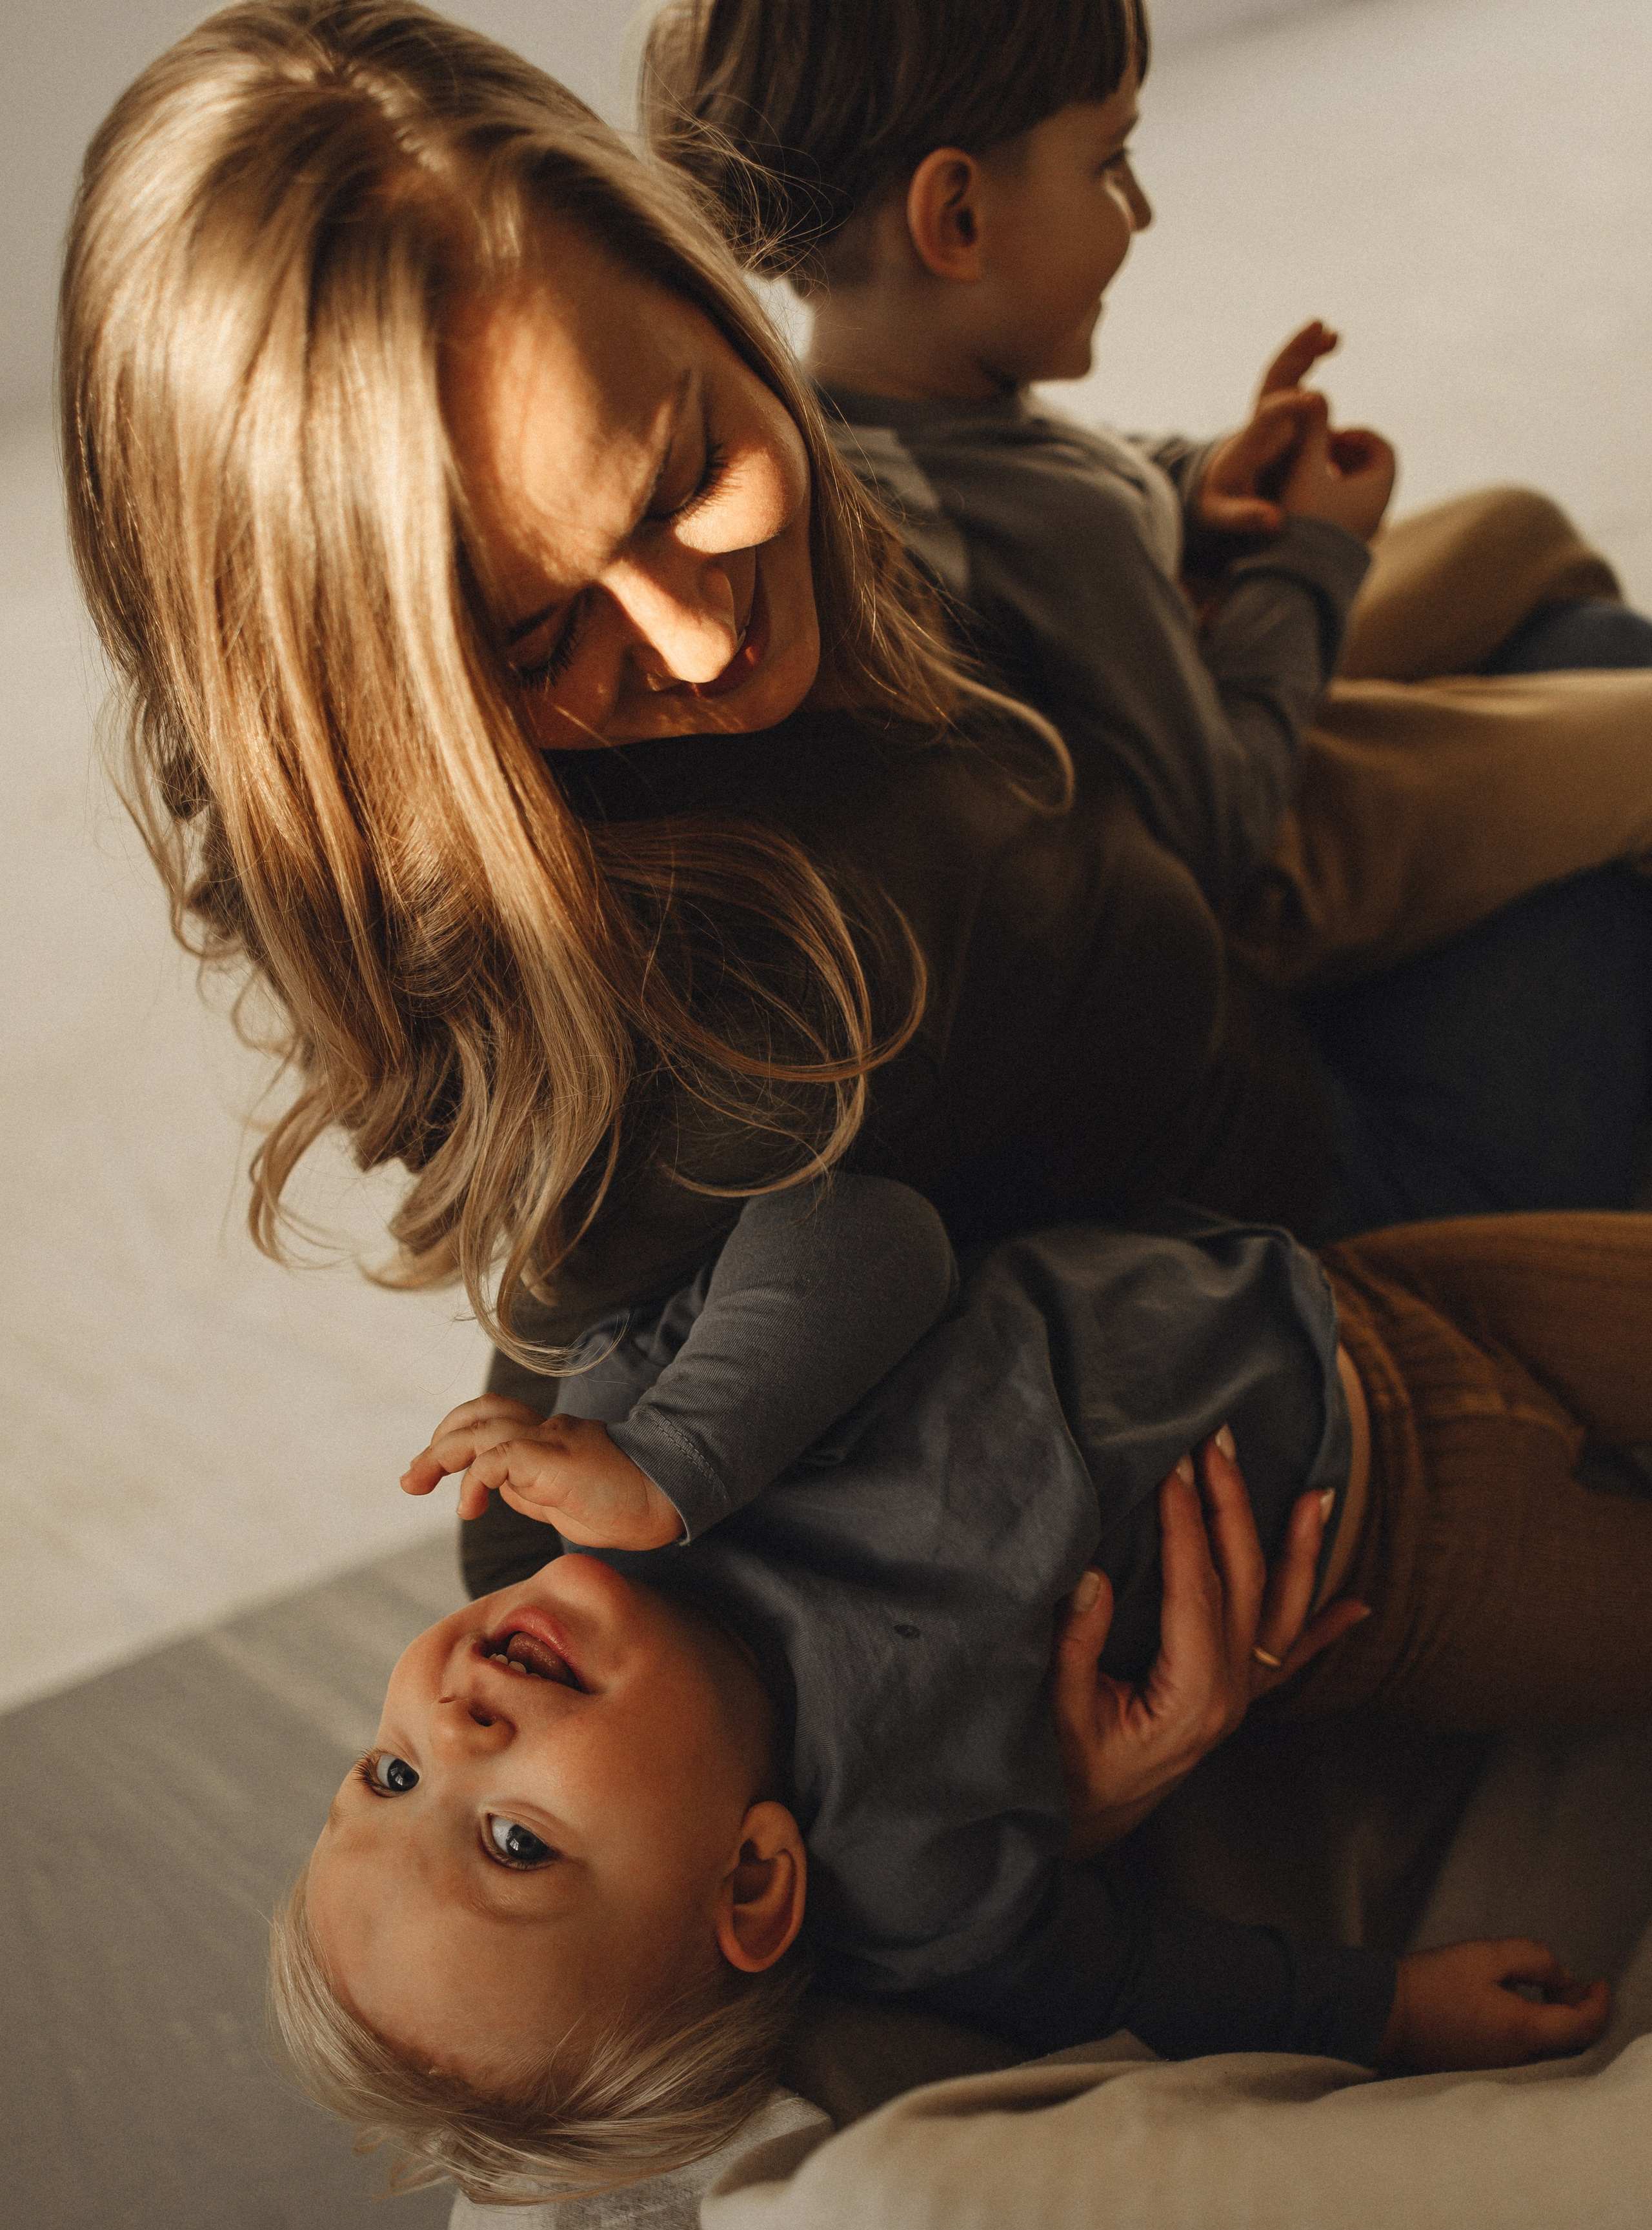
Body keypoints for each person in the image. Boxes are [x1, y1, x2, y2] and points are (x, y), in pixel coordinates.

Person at [59, 0, 1652, 1408]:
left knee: (1535, 582)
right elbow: (567, 1432)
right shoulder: (782, 968)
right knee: (1589, 670)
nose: (694, 649)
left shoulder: (862, 472)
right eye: (539, 645)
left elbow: (1049, 510)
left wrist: (1201, 519)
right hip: (1331, 1215)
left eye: (685, 475)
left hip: (1212, 1003)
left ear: (696, 282)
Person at [272, 1177, 1652, 2197]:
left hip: (1350, 1301)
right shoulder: (909, 1882)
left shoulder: (626, 1442)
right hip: (1412, 1567)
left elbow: (859, 1228)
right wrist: (1389, 2009)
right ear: (751, 1883)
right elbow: (1122, 1976)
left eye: (387, 1774)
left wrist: (673, 1463)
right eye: (511, 1839)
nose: (451, 1730)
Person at [641, 0, 1652, 978]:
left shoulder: (853, 414)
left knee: (1515, 530)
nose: (1144, 210)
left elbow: (1056, 463)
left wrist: (1203, 480)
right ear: (956, 215)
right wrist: (1310, 558)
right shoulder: (1062, 533)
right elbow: (1221, 833)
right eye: (1111, 163)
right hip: (1242, 861)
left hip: (1177, 705)